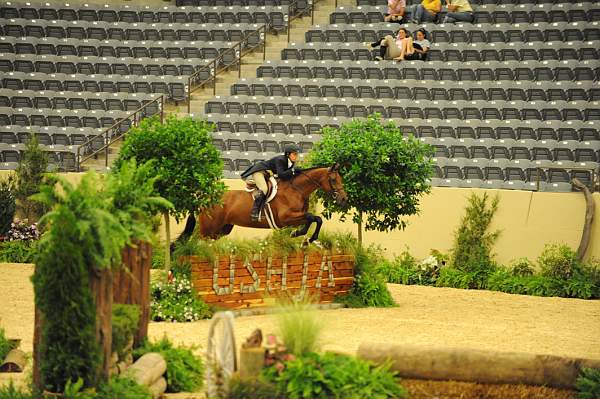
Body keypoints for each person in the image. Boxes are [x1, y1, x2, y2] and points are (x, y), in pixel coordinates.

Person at [240, 144, 302, 221]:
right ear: (288, 154)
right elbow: (281, 174)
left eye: (297, 154)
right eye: (294, 154)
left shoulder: (291, 162)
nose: (296, 156)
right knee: (264, 189)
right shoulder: (281, 160)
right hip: (260, 171)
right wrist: (293, 171)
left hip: (268, 174)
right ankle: (254, 212)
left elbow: (287, 174)